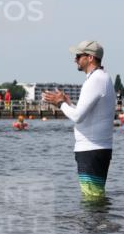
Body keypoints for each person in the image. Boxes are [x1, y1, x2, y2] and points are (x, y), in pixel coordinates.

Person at [42, 40, 115, 200]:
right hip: (96, 148)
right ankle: (98, 224)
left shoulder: (95, 80)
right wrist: (69, 103)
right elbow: (87, 113)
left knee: (92, 199)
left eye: (78, 55)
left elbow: (77, 117)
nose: (74, 59)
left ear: (90, 58)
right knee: (94, 197)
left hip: (91, 150)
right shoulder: (101, 77)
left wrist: (60, 103)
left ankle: (94, 225)